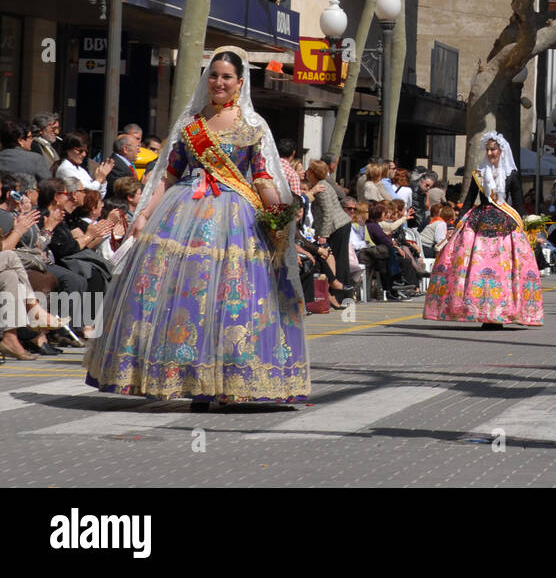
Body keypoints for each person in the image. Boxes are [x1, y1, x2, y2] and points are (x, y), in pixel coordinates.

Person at [83, 48, 309, 409]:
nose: (219, 82)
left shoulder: (252, 125)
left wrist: (279, 215)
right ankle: (188, 378)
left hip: (236, 217)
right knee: (185, 297)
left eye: (227, 77)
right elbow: (169, 174)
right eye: (214, 75)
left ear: (239, 82)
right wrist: (144, 214)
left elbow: (264, 177)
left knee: (227, 298)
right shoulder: (190, 123)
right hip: (182, 212)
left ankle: (228, 380)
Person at [422, 132, 543, 328]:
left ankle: (504, 310)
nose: (490, 152)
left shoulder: (511, 175)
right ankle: (477, 311)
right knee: (473, 266)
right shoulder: (479, 173)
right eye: (488, 149)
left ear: (501, 150)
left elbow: (519, 203)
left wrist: (529, 225)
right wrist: (457, 224)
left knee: (505, 268)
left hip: (506, 223)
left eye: (493, 149)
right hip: (480, 220)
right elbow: (470, 200)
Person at [305, 159, 353, 299]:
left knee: (338, 258)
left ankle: (340, 294)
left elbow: (327, 213)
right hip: (337, 226)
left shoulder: (322, 188)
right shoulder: (319, 186)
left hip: (337, 226)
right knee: (335, 258)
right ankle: (340, 292)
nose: (307, 172)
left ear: (313, 173)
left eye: (309, 170)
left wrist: (323, 235)